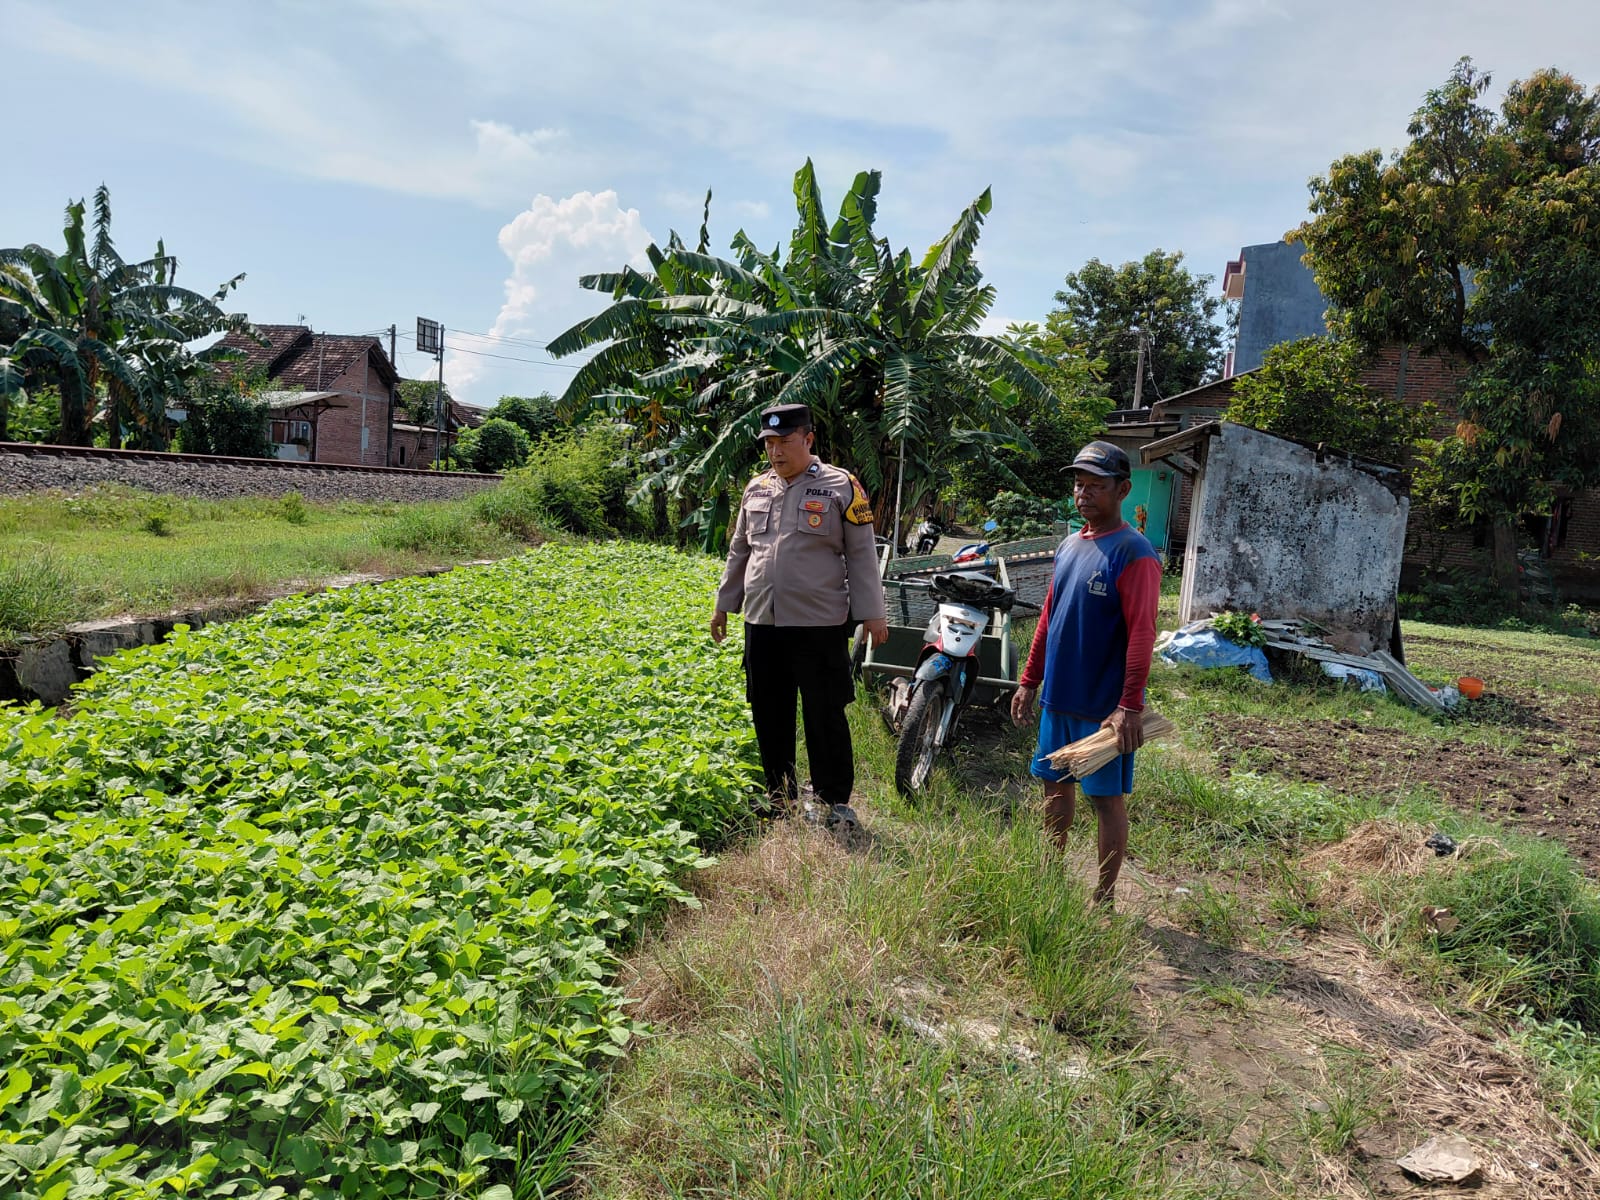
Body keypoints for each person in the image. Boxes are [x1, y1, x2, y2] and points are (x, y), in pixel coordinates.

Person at [711, 403, 890, 826]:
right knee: (768, 710)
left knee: (824, 711)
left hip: (819, 624)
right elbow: (740, 551)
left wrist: (872, 613)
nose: (776, 451)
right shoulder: (756, 488)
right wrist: (724, 604)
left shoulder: (841, 486)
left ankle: (834, 800)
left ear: (808, 439)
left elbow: (862, 554)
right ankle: (780, 796)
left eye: (785, 442)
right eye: (769, 444)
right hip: (763, 621)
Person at [1010, 440, 1161, 908]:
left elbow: (1142, 634)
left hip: (1103, 709)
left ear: (1123, 490)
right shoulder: (1069, 546)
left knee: (1105, 800)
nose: (1083, 493)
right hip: (1058, 698)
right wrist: (1029, 680)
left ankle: (1104, 897)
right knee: (1054, 789)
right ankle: (1049, 877)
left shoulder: (1134, 553)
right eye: (1079, 484)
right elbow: (1048, 618)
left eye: (1096, 485)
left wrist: (1129, 706)